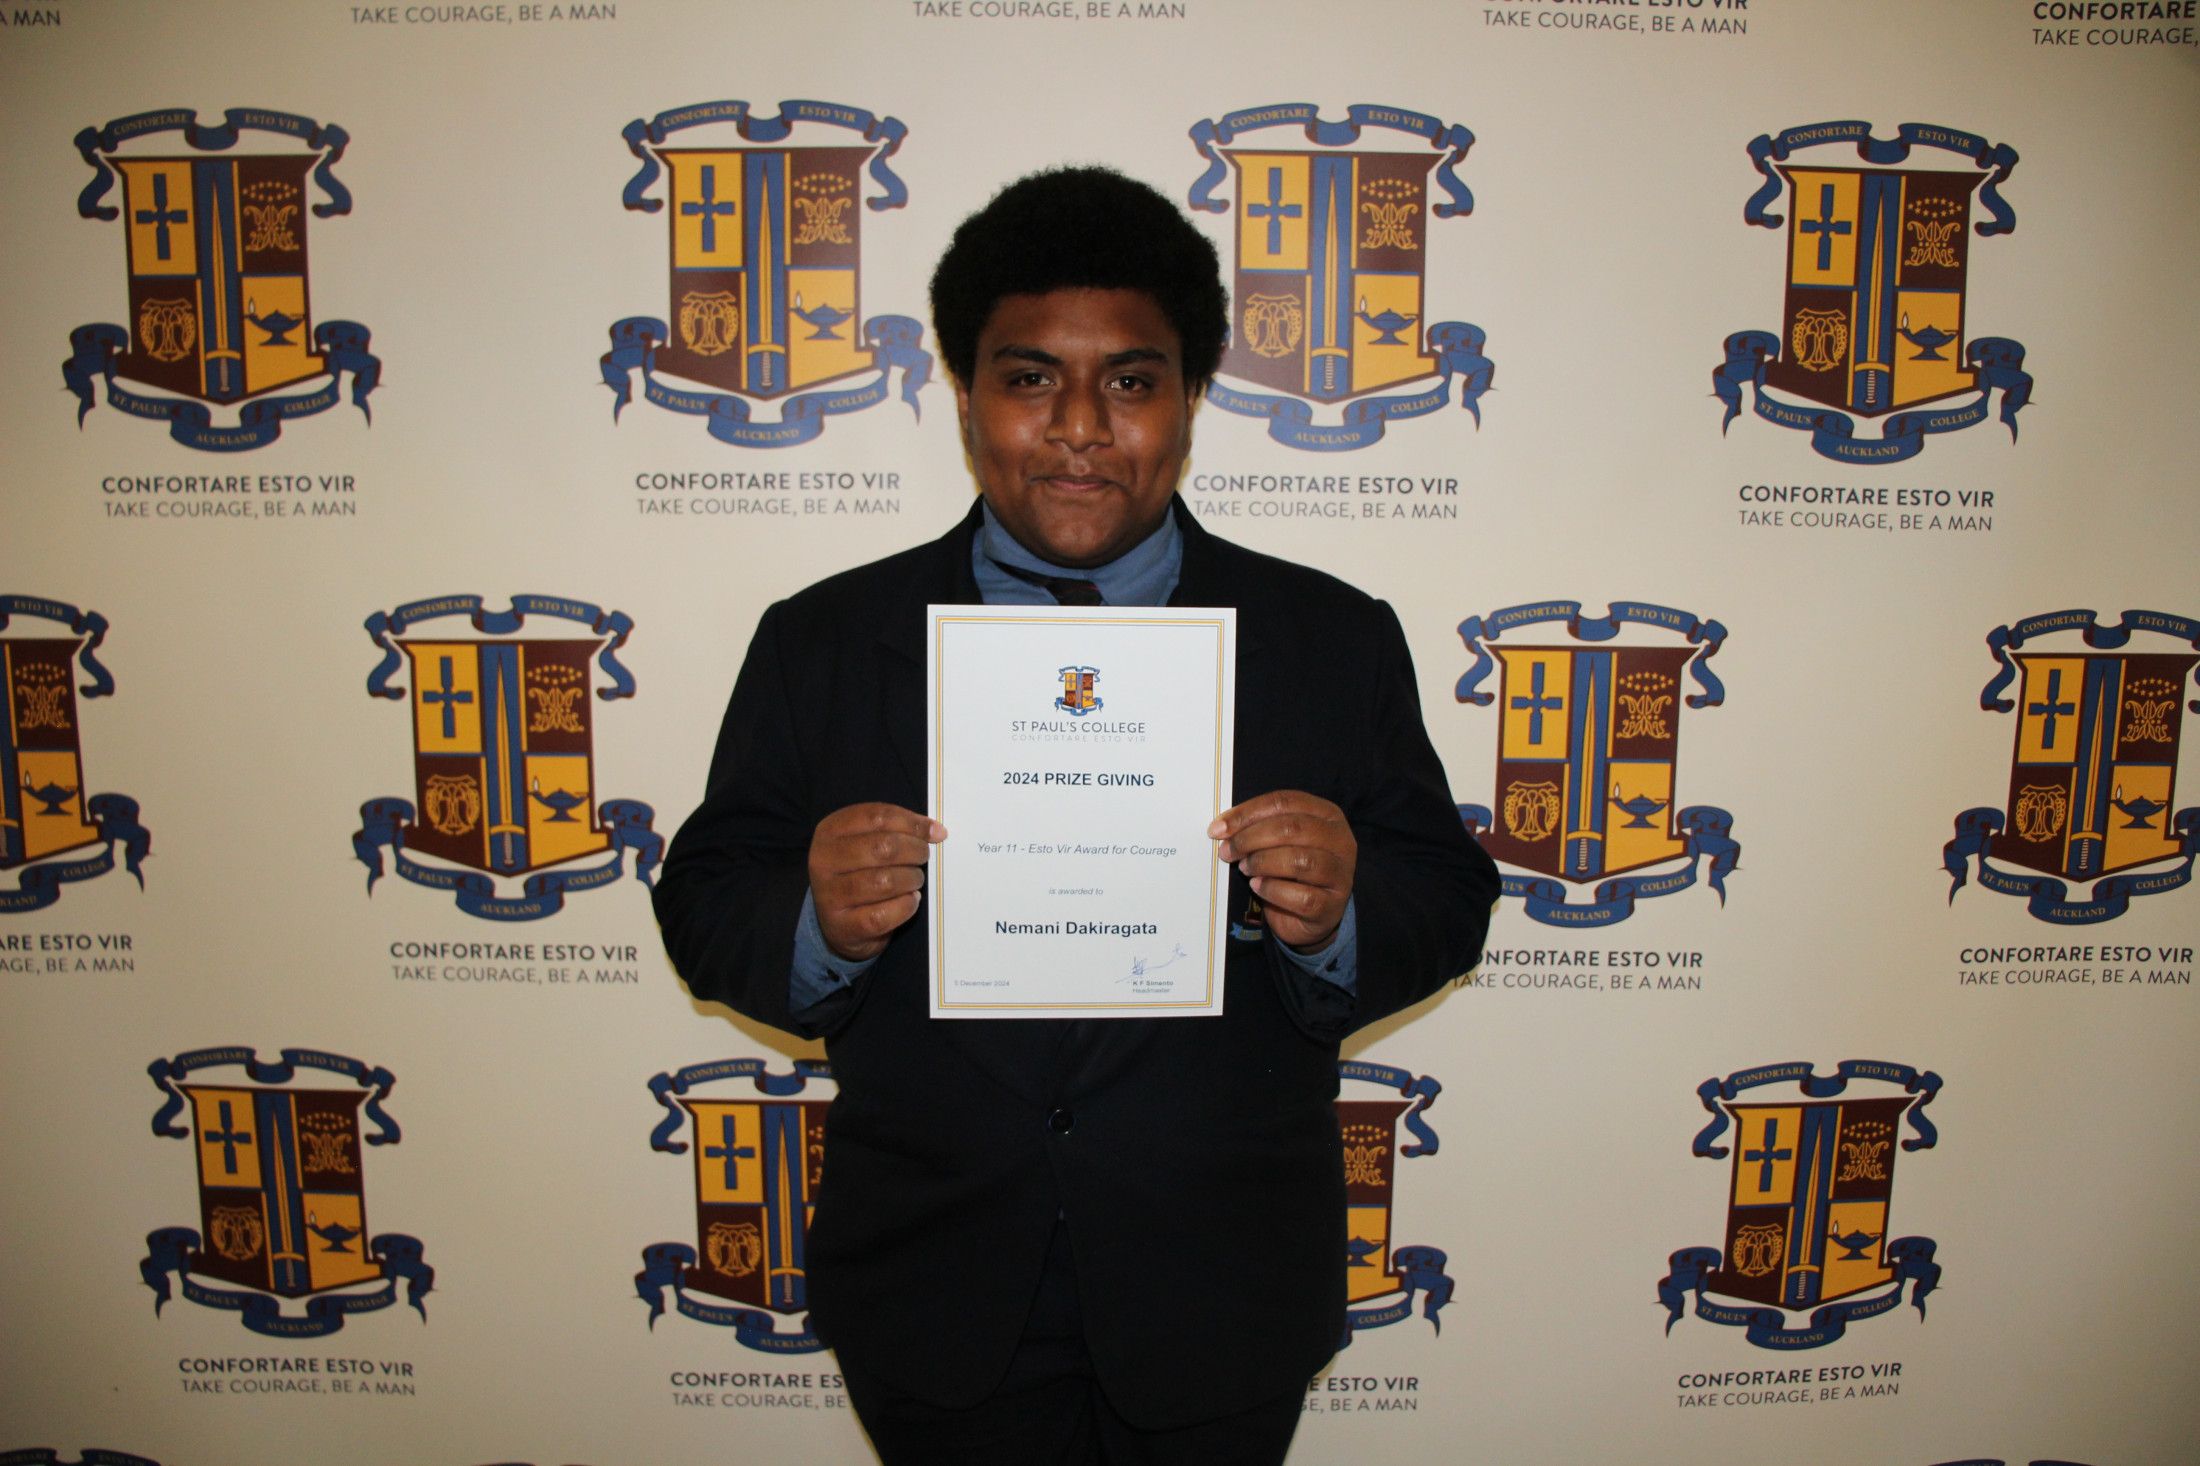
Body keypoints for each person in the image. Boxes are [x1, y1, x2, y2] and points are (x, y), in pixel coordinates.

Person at [653, 166, 1497, 1465]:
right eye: (1031, 377)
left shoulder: (1329, 638)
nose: (1082, 428)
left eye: (1133, 380)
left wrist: (1339, 914)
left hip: (1221, 1290)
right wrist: (815, 918)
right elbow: (708, 902)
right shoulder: (824, 640)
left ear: (1192, 398)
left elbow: (1444, 898)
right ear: (964, 394)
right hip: (936, 1286)